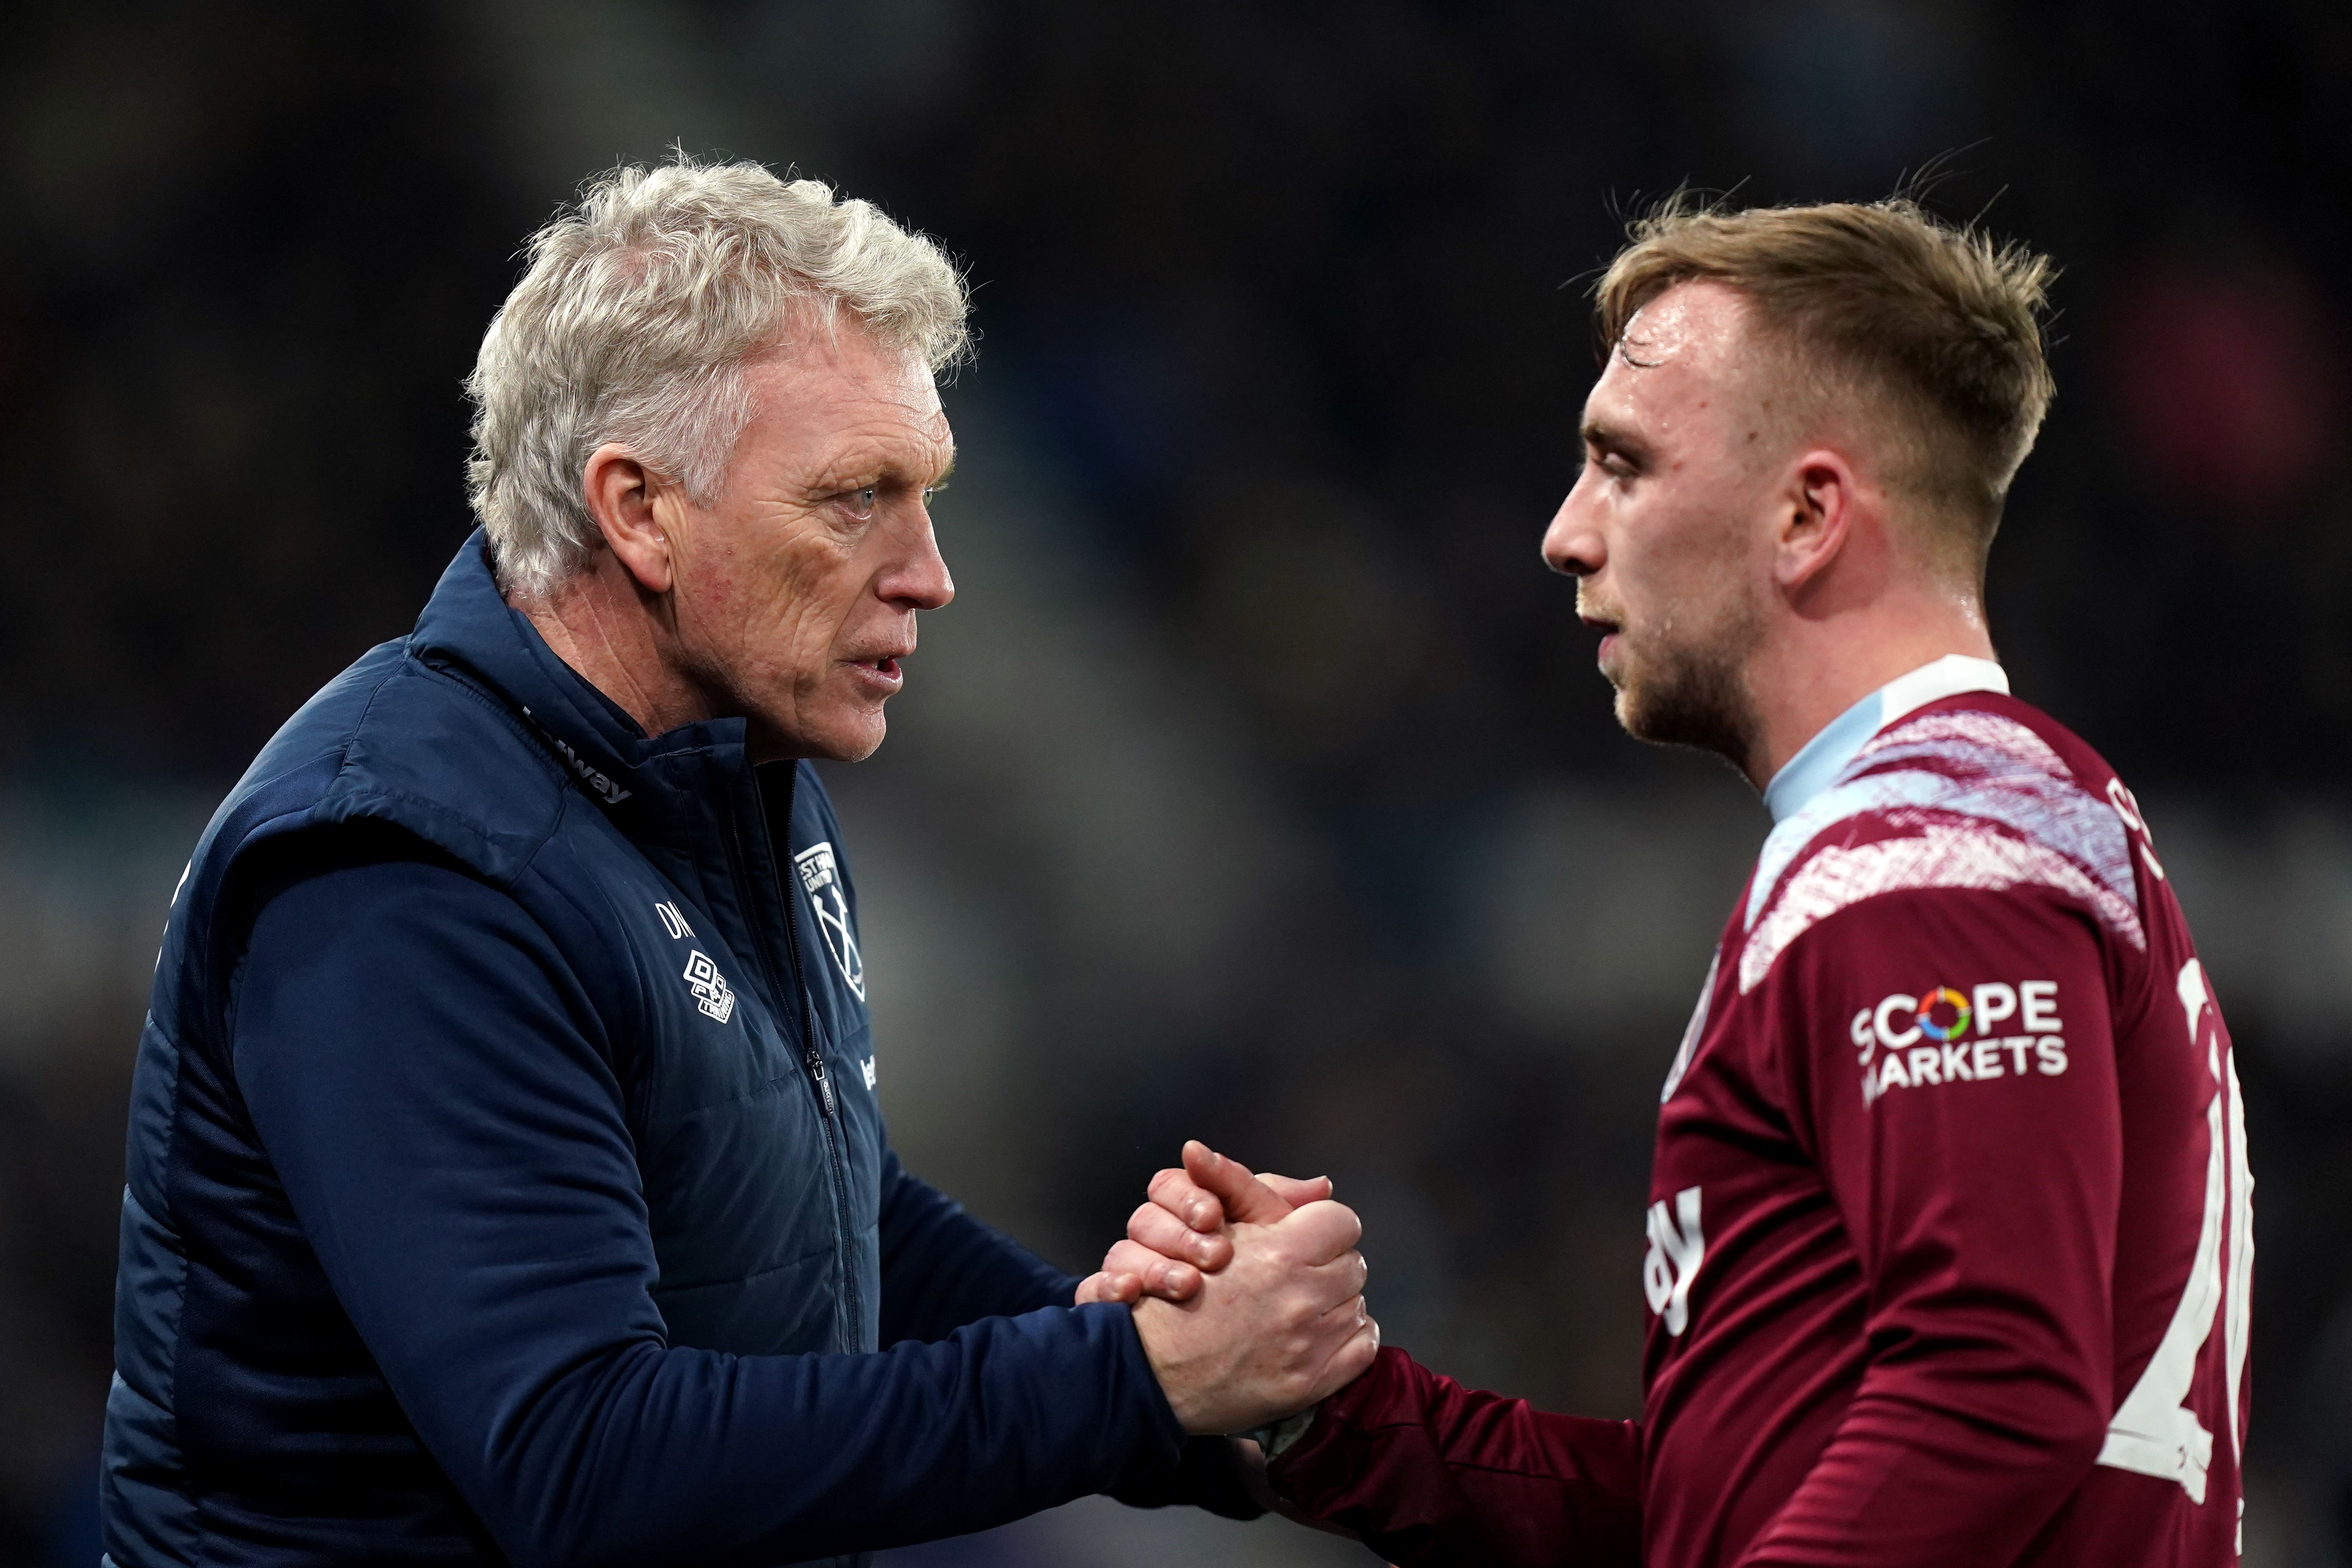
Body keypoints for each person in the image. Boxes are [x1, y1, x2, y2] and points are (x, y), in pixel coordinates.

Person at [101, 157, 1377, 1568]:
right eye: (854, 499)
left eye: (930, 493)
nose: (930, 572)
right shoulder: (406, 868)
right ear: (638, 510)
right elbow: (586, 1462)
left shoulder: (719, 774)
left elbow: (810, 1215)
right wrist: (1118, 1390)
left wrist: (1137, 1360)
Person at [1093, 197, 2254, 1567]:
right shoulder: (1985, 831)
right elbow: (1736, 1511)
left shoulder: (1927, 863)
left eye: (1621, 464)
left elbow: (1993, 1393)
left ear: (1809, 514)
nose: (1565, 535)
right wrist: (1333, 1417)